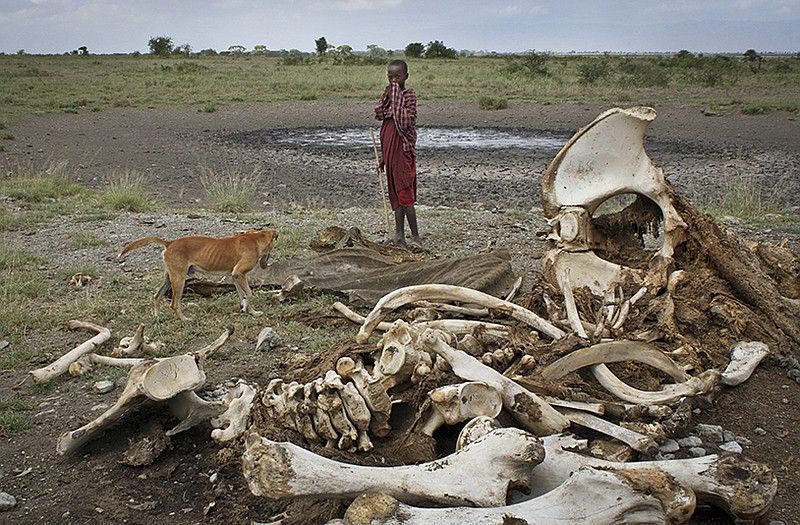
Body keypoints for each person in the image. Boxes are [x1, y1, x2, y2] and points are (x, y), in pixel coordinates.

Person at [374, 59, 422, 249]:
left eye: (398, 77)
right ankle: (399, 235)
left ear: (406, 77)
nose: (394, 81)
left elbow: (404, 121)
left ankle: (416, 237)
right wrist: (383, 159)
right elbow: (380, 114)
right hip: (391, 155)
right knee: (395, 195)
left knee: (405, 195)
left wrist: (395, 94)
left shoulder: (409, 96)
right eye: (390, 76)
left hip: (402, 154)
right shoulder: (387, 98)